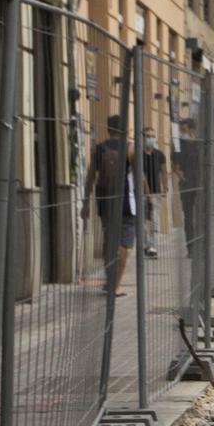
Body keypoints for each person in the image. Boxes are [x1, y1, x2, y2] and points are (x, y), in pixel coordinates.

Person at [82, 113, 136, 296]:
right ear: (125, 129)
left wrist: (85, 203)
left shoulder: (99, 149)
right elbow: (139, 177)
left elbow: (91, 177)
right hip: (125, 202)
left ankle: (109, 279)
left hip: (104, 201)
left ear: (108, 128)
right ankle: (116, 285)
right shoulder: (130, 148)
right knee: (123, 244)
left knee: (108, 240)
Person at [141, 127, 168, 258]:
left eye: (152, 136)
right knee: (141, 220)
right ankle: (146, 243)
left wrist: (165, 187)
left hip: (156, 191)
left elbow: (164, 171)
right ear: (142, 137)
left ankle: (153, 246)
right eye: (147, 136)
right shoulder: (137, 154)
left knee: (154, 220)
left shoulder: (159, 154)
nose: (150, 138)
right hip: (140, 193)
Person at [176, 116, 201, 247]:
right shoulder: (179, 144)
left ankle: (200, 244)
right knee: (188, 217)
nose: (182, 133)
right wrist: (179, 173)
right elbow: (176, 164)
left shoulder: (200, 144)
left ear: (192, 130)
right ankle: (190, 246)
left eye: (184, 130)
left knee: (200, 216)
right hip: (186, 184)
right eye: (181, 130)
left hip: (200, 184)